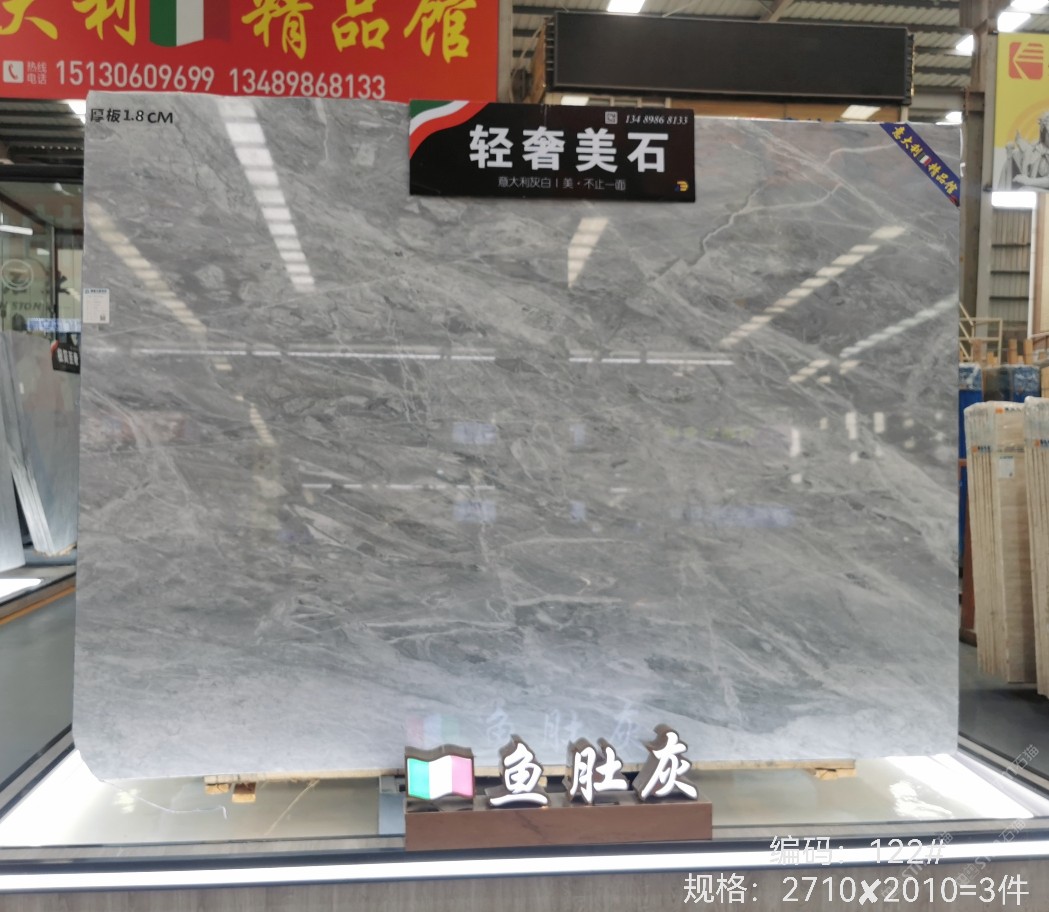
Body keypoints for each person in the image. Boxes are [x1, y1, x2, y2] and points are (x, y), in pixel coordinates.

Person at [999, 111, 1049, 189]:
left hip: (1039, 190)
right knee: (1014, 157)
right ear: (1043, 130)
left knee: (1025, 189)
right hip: (1028, 187)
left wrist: (1028, 181)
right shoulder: (1035, 149)